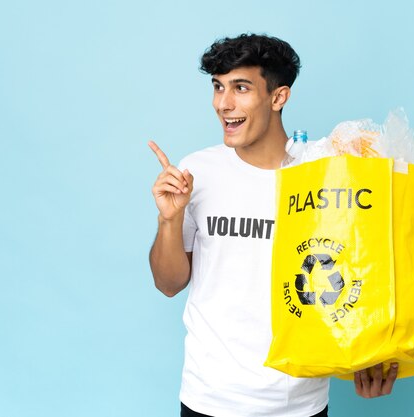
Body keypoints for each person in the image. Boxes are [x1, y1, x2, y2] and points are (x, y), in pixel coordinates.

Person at [148, 33, 398, 417]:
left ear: (278, 97)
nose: (223, 104)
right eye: (218, 87)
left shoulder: (325, 171)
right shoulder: (198, 170)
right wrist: (170, 219)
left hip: (298, 403)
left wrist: (370, 353)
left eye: (241, 88)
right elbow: (168, 284)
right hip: (208, 397)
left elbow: (361, 270)